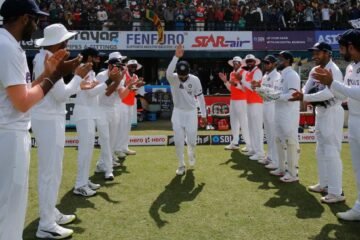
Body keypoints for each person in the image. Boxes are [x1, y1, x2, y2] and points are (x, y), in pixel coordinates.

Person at [0, 0, 69, 239]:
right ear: (23, 18)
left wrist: (45, 76)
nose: (37, 24)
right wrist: (54, 78)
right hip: (9, 134)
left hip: (8, 132)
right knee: (9, 212)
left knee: (7, 208)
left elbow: (20, 92)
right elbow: (22, 102)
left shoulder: (7, 44)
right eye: (35, 19)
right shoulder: (7, 47)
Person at [31, 23, 97, 239]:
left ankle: (50, 213)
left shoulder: (44, 57)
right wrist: (78, 75)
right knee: (50, 172)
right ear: (58, 42)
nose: (68, 43)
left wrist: (73, 70)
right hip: (48, 118)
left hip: (49, 117)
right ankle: (46, 224)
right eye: (65, 40)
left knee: (53, 170)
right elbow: (61, 95)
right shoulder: (47, 60)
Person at [290, 42, 345, 203]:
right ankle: (324, 183)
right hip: (320, 112)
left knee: (332, 151)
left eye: (318, 53)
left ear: (327, 53)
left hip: (333, 111)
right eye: (313, 53)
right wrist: (302, 94)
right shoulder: (315, 69)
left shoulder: (334, 70)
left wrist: (305, 97)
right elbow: (307, 88)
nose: (314, 56)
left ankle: (337, 192)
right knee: (320, 149)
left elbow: (330, 93)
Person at [314, 29, 360, 220]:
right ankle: (359, 208)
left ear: (351, 46)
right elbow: (343, 95)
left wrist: (333, 83)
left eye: (342, 48)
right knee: (358, 168)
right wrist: (330, 85)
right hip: (355, 120)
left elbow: (357, 93)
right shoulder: (351, 68)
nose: (341, 52)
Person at [73, 47, 118, 196]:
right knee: (85, 151)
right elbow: (91, 92)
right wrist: (110, 80)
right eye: (97, 57)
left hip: (90, 112)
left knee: (89, 149)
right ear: (90, 58)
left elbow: (93, 90)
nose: (99, 60)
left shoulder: (90, 72)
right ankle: (80, 185)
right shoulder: (82, 69)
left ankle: (84, 181)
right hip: (84, 113)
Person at [253, 51, 301, 183]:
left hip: (289, 114)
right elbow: (276, 92)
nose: (278, 62)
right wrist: (263, 91)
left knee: (290, 142)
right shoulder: (282, 76)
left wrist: (275, 96)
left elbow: (293, 95)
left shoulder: (292, 75)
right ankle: (281, 168)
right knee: (279, 140)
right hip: (278, 111)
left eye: (281, 59)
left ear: (288, 61)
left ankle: (293, 173)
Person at [166, 44, 207, 175]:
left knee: (192, 141)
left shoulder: (195, 80)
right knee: (178, 141)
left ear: (189, 72)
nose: (182, 78)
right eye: (180, 75)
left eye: (184, 75)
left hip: (191, 113)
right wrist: (175, 57)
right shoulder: (173, 78)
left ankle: (191, 153)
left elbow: (200, 98)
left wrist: (204, 115)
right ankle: (181, 165)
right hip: (177, 112)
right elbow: (168, 72)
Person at [95, 52, 126, 178]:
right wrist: (116, 81)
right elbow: (106, 93)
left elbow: (121, 95)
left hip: (113, 109)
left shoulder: (120, 77)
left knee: (111, 141)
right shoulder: (101, 76)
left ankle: (101, 164)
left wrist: (129, 86)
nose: (118, 69)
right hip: (101, 109)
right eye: (115, 66)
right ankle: (109, 170)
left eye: (119, 67)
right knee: (105, 139)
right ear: (109, 66)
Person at [218, 56, 251, 152]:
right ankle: (235, 142)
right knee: (234, 122)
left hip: (242, 100)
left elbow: (245, 88)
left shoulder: (244, 73)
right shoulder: (232, 73)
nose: (235, 64)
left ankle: (249, 145)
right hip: (233, 100)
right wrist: (225, 81)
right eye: (234, 62)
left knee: (244, 123)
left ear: (241, 64)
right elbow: (230, 89)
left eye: (237, 62)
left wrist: (236, 84)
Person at [116, 59, 145, 159]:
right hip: (122, 103)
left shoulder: (135, 77)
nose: (133, 68)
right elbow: (123, 87)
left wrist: (138, 85)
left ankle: (124, 147)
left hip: (131, 103)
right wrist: (134, 86)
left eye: (135, 66)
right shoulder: (124, 75)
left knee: (127, 126)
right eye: (131, 66)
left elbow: (136, 92)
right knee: (122, 126)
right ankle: (118, 149)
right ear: (127, 66)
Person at [258, 55, 281, 169]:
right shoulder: (265, 75)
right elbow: (261, 92)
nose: (265, 65)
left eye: (268, 63)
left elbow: (276, 93)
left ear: (274, 64)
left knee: (273, 133)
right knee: (268, 132)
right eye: (264, 63)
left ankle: (276, 160)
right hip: (265, 104)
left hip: (272, 106)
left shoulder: (277, 76)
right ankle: (270, 156)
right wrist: (257, 88)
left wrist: (261, 89)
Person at [241, 54, 265, 160]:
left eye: (251, 61)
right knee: (251, 127)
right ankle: (254, 150)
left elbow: (252, 88)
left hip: (257, 102)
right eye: (247, 61)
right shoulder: (249, 72)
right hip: (250, 102)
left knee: (257, 128)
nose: (249, 63)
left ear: (255, 62)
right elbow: (245, 88)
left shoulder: (258, 72)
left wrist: (242, 81)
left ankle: (260, 152)